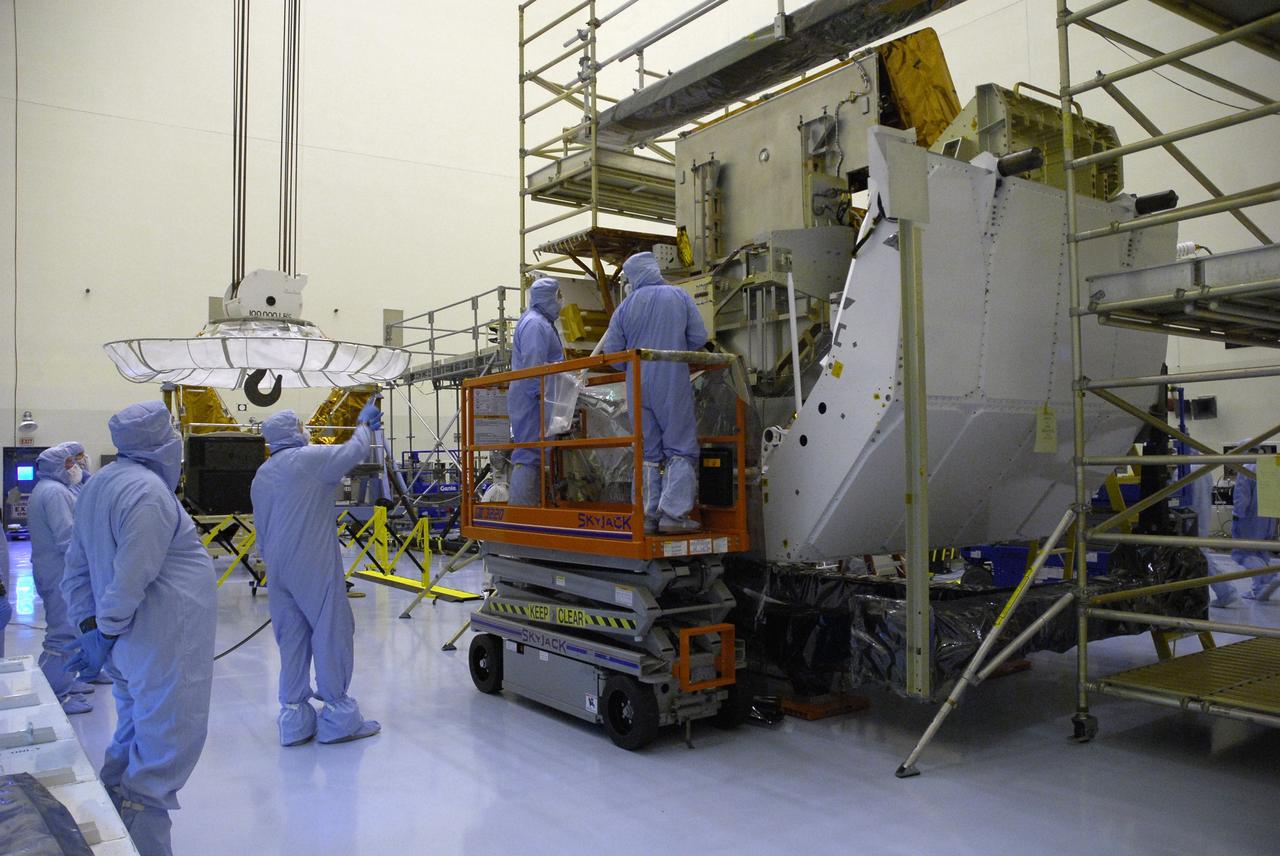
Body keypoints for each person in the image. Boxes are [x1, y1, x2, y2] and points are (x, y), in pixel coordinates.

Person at [61, 401, 217, 856]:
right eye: (172, 432)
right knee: (162, 753)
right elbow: (133, 573)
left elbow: (77, 567)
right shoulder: (147, 492)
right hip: (165, 643)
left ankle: (114, 826)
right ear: (160, 441)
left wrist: (92, 627)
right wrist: (104, 629)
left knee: (134, 733)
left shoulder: (101, 484)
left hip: (132, 646)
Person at [251, 402, 383, 746]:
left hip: (277, 568)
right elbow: (353, 452)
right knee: (330, 629)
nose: (304, 429)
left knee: (292, 638)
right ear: (293, 433)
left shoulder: (262, 473)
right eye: (300, 425)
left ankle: (294, 721)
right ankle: (339, 718)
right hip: (311, 561)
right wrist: (365, 426)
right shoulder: (309, 459)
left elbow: (261, 528)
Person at [598, 251, 708, 533]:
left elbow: (611, 351)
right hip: (670, 376)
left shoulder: (624, 307)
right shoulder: (678, 296)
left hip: (637, 382)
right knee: (680, 445)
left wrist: (633, 368)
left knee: (646, 451)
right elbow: (699, 337)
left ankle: (648, 516)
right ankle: (674, 514)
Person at [27, 442, 95, 714]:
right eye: (72, 461)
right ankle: (53, 694)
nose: (77, 466)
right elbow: (67, 537)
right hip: (60, 573)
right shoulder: (54, 492)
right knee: (63, 634)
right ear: (58, 465)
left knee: (73, 630)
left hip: (61, 571)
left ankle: (66, 680)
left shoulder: (55, 489)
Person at [507, 276, 565, 506]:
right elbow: (533, 366)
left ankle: (529, 507)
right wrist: (542, 395)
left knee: (536, 454)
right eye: (559, 295)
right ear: (548, 297)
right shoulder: (535, 324)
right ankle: (523, 511)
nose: (561, 301)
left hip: (539, 398)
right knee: (530, 454)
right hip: (534, 400)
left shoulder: (540, 322)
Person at [1228, 454, 1278, 603]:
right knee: (1261, 551)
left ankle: (1269, 577)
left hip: (1249, 519)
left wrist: (1237, 516)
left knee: (1243, 553)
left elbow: (1242, 497)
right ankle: (1259, 588)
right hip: (1268, 518)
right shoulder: (1268, 465)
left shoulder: (1246, 468)